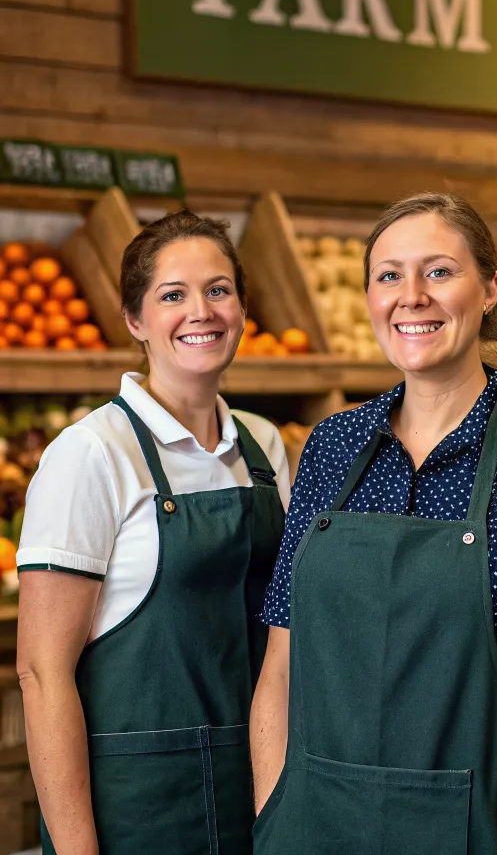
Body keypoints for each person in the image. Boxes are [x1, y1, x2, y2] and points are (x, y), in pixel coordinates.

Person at [250, 193, 497, 855]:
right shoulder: (330, 448)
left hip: (491, 834)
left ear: (491, 288)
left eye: (438, 272)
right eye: (388, 276)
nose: (412, 296)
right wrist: (276, 820)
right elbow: (281, 671)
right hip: (318, 833)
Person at [16, 211, 289, 855]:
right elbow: (40, 673)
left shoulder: (264, 446)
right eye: (173, 295)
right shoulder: (91, 453)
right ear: (135, 321)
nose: (201, 311)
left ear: (243, 309)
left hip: (257, 793)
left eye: (218, 290)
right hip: (135, 811)